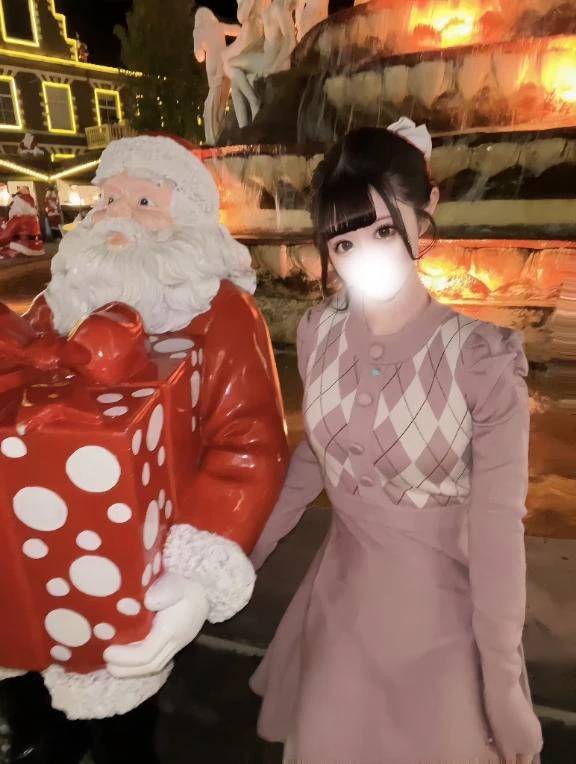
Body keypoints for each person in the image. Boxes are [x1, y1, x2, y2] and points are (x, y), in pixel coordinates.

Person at [249, 118, 544, 764]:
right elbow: (314, 456)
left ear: (425, 209)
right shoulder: (318, 333)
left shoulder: (482, 360)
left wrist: (502, 681)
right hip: (342, 609)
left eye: (384, 230)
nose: (365, 256)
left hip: (443, 627)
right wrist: (247, 551)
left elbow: (499, 531)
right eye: (343, 243)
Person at [0, 133, 289, 763]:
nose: (119, 216)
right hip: (35, 552)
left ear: (189, 221)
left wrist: (196, 573)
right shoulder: (60, 300)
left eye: (144, 202)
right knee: (33, 704)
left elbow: (249, 444)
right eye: (108, 200)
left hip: (150, 559)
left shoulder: (222, 314)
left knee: (124, 717)